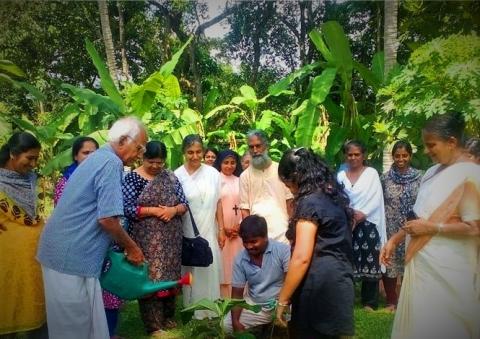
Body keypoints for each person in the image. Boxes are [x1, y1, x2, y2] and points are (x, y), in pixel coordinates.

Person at [37, 117, 147, 339]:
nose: (140, 155)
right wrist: (132, 248)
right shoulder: (111, 163)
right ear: (124, 140)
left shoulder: (99, 157)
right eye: (139, 148)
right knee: (73, 328)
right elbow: (107, 219)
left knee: (86, 325)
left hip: (69, 255)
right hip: (68, 258)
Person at [381, 112, 480, 339]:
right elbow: (418, 217)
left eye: (431, 145)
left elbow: (475, 227)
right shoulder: (431, 173)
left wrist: (434, 229)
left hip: (451, 268)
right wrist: (394, 240)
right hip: (421, 265)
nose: (426, 151)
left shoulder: (471, 175)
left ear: (452, 142)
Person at [276, 148, 355, 338]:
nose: (289, 189)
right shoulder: (332, 197)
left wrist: (282, 299)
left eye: (287, 183)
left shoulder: (309, 203)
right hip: (340, 281)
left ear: (296, 177)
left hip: (318, 286)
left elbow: (301, 257)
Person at [121, 141, 188, 336]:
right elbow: (127, 208)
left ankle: (168, 317)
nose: (156, 166)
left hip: (171, 239)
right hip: (145, 239)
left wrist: (173, 210)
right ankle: (154, 324)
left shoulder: (170, 177)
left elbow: (184, 204)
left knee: (170, 277)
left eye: (160, 162)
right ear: (143, 158)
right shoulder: (132, 179)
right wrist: (154, 211)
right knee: (150, 278)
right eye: (151, 161)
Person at [0, 132, 47, 338]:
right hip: (6, 256)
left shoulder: (32, 180)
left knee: (33, 299)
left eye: (37, 158)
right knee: (8, 299)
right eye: (30, 158)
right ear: (13, 154)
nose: (34, 163)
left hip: (34, 256)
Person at [174, 134, 225, 319]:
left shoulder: (213, 174)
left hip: (209, 229)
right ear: (183, 153)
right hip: (187, 230)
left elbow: (218, 202)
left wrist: (222, 229)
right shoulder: (177, 175)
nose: (195, 156)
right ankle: (191, 306)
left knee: (208, 266)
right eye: (190, 152)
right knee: (190, 267)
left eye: (198, 152)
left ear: (203, 152)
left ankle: (209, 308)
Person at [337, 140, 386, 311]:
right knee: (347, 260)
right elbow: (338, 198)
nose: (353, 157)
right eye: (349, 154)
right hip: (347, 223)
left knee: (369, 257)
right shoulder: (341, 175)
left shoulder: (371, 173)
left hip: (368, 222)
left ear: (363, 155)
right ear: (345, 155)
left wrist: (361, 214)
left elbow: (375, 197)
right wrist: (349, 215)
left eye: (356, 154)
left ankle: (370, 302)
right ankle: (346, 299)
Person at [224, 215, 290, 333]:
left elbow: (290, 282)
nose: (249, 246)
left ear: (265, 237)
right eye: (245, 242)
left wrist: (282, 304)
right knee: (226, 325)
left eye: (254, 241)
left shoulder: (283, 251)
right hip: (256, 305)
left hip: (283, 304)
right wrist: (235, 322)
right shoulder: (240, 259)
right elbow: (237, 296)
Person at [380, 140, 422, 312]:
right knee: (390, 262)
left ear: (410, 156)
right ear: (393, 157)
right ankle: (392, 301)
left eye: (404, 155)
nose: (401, 159)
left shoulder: (421, 177)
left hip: (412, 226)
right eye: (397, 156)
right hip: (390, 224)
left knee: (409, 260)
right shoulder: (385, 178)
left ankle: (407, 300)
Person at [239, 130, 293, 243]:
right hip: (258, 235)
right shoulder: (245, 176)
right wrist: (250, 236)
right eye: (251, 147)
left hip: (283, 232)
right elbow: (245, 210)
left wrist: (292, 228)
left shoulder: (280, 170)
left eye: (258, 146)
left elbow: (290, 203)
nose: (255, 150)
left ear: (266, 145)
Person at [213, 149, 243, 298]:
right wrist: (223, 228)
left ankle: (240, 294)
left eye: (232, 163)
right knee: (224, 262)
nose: (229, 166)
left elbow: (244, 204)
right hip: (222, 230)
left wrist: (240, 225)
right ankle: (223, 296)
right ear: (220, 163)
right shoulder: (215, 180)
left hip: (238, 231)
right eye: (226, 162)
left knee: (238, 261)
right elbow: (214, 205)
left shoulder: (240, 180)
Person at [53, 136, 99, 206]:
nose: (90, 156)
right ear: (75, 156)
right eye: (86, 153)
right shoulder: (66, 182)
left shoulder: (102, 176)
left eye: (93, 153)